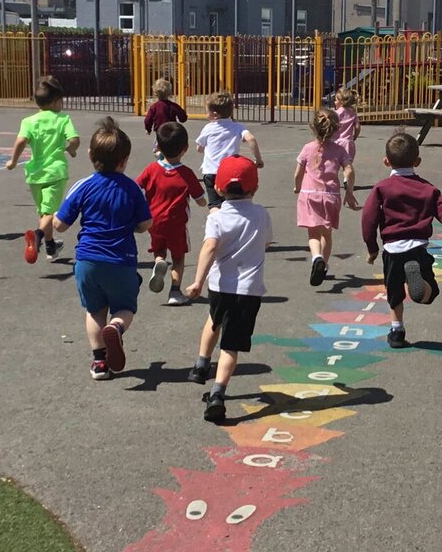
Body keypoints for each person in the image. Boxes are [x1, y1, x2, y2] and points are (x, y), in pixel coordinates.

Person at [54, 117, 153, 381]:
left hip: (87, 260)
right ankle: (117, 328)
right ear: (124, 160)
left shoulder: (83, 186)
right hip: (121, 259)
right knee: (125, 308)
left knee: (94, 310)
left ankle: (99, 363)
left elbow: (61, 225)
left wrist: (53, 215)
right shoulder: (132, 188)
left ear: (90, 155)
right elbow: (145, 224)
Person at [184, 156, 273, 422]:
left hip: (219, 284)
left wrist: (198, 281)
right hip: (248, 289)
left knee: (214, 318)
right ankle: (218, 393)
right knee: (231, 345)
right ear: (254, 188)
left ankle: (201, 364)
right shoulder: (261, 214)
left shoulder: (217, 217)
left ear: (219, 189)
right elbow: (266, 243)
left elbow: (210, 247)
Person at [362, 129, 442, 350]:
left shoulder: (382, 188)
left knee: (394, 292)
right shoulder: (427, 189)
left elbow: (369, 219)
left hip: (392, 249)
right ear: (417, 161)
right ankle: (421, 288)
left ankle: (397, 330)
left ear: (386, 161)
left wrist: (372, 247)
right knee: (430, 294)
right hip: (417, 248)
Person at [6, 76, 80, 264]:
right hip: (55, 172)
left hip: (34, 174)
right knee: (49, 213)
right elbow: (74, 140)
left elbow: (21, 141)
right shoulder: (63, 119)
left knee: (43, 212)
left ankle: (50, 247)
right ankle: (38, 236)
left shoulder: (29, 121)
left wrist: (13, 161)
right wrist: (71, 150)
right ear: (56, 101)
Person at [136, 121, 207, 306]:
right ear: (185, 148)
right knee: (178, 257)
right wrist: (205, 203)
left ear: (158, 146)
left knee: (159, 248)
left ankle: (159, 261)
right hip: (176, 224)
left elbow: (136, 186)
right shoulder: (186, 174)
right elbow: (200, 198)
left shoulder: (151, 169)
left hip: (153, 221)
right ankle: (175, 291)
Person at [293, 108, 351, 287]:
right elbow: (349, 169)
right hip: (331, 195)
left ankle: (316, 257)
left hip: (310, 195)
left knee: (313, 232)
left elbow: (298, 173)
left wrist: (297, 186)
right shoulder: (340, 150)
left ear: (313, 127)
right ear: (335, 129)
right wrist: (349, 190)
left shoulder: (307, 148)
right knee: (327, 233)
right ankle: (324, 265)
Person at [195, 91, 264, 211]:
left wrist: (204, 148)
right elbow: (251, 139)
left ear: (214, 115)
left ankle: (215, 224)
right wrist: (258, 159)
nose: (206, 114)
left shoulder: (208, 128)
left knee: (215, 204)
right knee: (232, 203)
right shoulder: (238, 127)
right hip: (231, 172)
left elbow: (199, 148)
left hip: (211, 171)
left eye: (207, 112)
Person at [332, 87, 362, 210]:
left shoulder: (336, 114)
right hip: (348, 142)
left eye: (335, 100)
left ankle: (332, 180)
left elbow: (332, 126)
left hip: (336, 142)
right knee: (347, 164)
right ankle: (346, 179)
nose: (334, 102)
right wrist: (354, 136)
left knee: (334, 164)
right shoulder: (353, 113)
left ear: (341, 101)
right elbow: (358, 127)